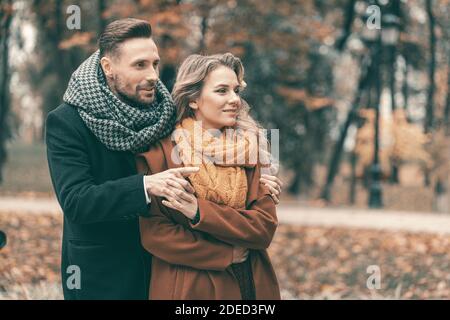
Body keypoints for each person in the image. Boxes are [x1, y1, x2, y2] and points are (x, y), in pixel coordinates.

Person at [45, 18, 282, 300]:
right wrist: (145, 186)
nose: (153, 75)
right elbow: (76, 201)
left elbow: (208, 143)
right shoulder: (68, 122)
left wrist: (258, 179)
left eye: (155, 64)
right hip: (106, 269)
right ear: (108, 68)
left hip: (168, 271)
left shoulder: (164, 113)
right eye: (140, 65)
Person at [137, 53, 281, 299]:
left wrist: (199, 212)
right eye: (222, 91)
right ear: (193, 99)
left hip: (250, 282)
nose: (235, 99)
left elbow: (263, 229)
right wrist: (224, 254)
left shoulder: (251, 149)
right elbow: (155, 234)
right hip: (189, 287)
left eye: (236, 90)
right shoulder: (161, 152)